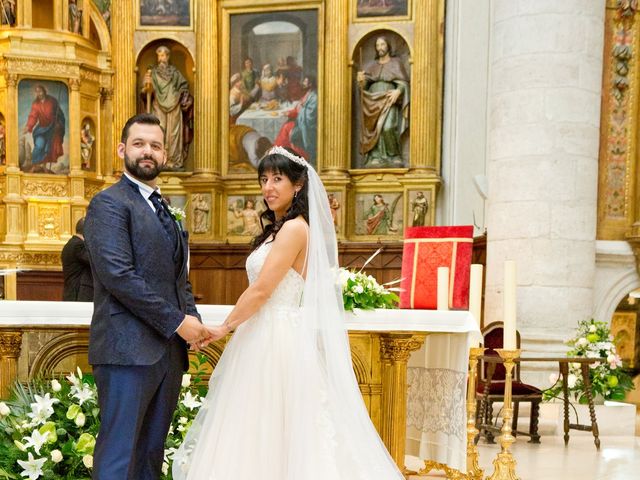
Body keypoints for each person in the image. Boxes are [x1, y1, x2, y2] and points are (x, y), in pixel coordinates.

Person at [173, 146, 404, 480]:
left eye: (277, 178)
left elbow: (263, 290)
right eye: (264, 178)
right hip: (263, 334)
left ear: (297, 185)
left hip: (279, 339)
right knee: (258, 429)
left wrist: (223, 328)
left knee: (279, 429)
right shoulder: (280, 229)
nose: (268, 186)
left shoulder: (295, 228)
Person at [84, 113, 211, 479]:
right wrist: (177, 322)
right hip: (127, 352)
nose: (147, 152)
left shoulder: (166, 208)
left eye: (155, 145)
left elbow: (178, 280)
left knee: (149, 457)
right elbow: (118, 276)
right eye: (139, 144)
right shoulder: (108, 204)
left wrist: (193, 321)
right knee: (119, 456)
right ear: (122, 149)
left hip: (167, 355)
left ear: (165, 154)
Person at [357, 35, 410, 167]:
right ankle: (375, 156)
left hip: (388, 99)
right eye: (378, 45)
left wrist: (399, 91)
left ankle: (394, 155)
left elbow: (403, 82)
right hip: (372, 102)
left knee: (388, 127)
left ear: (388, 46)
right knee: (375, 130)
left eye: (382, 45)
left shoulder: (395, 63)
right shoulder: (371, 66)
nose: (380, 48)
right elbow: (364, 87)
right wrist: (361, 80)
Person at [141, 46, 194, 169]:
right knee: (160, 131)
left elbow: (184, 86)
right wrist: (147, 87)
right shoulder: (152, 73)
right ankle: (158, 160)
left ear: (168, 57)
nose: (161, 58)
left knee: (173, 133)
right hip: (157, 106)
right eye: (159, 55)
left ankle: (173, 160)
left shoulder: (175, 73)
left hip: (174, 105)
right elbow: (145, 92)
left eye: (163, 55)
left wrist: (182, 95)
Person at [21, 84, 66, 173]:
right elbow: (33, 116)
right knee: (39, 145)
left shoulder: (52, 101)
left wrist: (59, 124)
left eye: (40, 91)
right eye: (37, 92)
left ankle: (44, 167)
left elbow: (60, 114)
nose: (39, 94)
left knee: (47, 148)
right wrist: (28, 126)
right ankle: (34, 166)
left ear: (44, 91)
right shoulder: (36, 104)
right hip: (41, 129)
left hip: (52, 128)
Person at [274, 75, 318, 164]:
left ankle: (298, 156)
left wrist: (292, 113)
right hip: (301, 122)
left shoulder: (314, 96)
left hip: (308, 126)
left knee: (287, 128)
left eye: (305, 82)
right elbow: (300, 107)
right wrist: (290, 112)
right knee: (286, 126)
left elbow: (309, 114)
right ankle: (281, 154)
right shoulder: (308, 93)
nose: (303, 83)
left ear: (310, 84)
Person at [61, 217, 93, 302]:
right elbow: (93, 261)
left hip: (73, 293)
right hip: (78, 294)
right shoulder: (78, 245)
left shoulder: (71, 243)